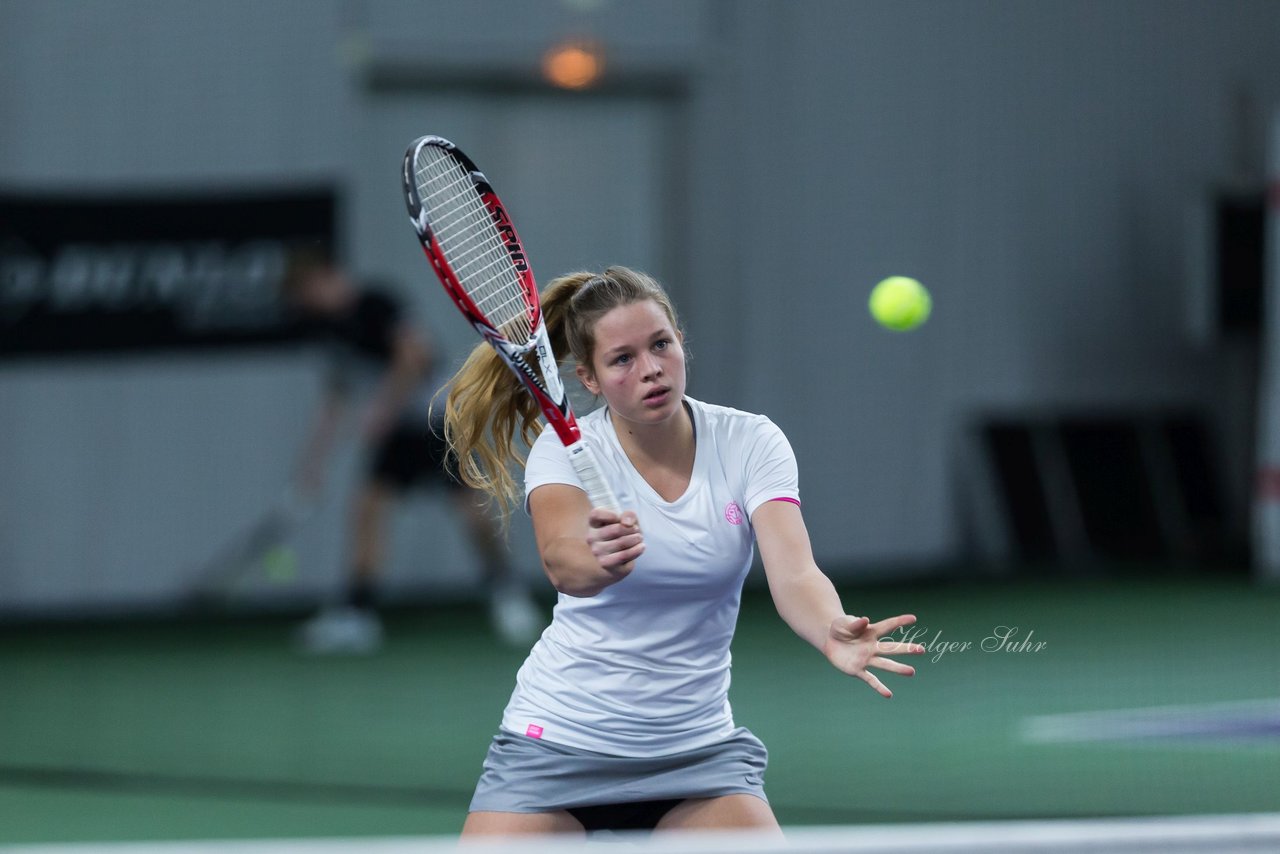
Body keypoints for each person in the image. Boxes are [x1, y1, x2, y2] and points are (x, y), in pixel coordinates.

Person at [444, 266, 925, 835]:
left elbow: (794, 573)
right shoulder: (563, 449)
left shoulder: (750, 441)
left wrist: (829, 629)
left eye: (660, 345)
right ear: (589, 378)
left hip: (694, 754)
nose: (650, 369)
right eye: (621, 359)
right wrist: (599, 560)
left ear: (679, 343)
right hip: (558, 743)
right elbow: (562, 560)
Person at [282, 250, 542, 652]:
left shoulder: (376, 303)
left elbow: (415, 355)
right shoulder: (330, 331)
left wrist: (383, 407)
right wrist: (313, 464)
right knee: (367, 508)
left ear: (321, 278)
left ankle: (507, 596)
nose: (306, 305)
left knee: (471, 513)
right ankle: (357, 614)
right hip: (395, 431)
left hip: (436, 420)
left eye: (306, 294)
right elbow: (335, 397)